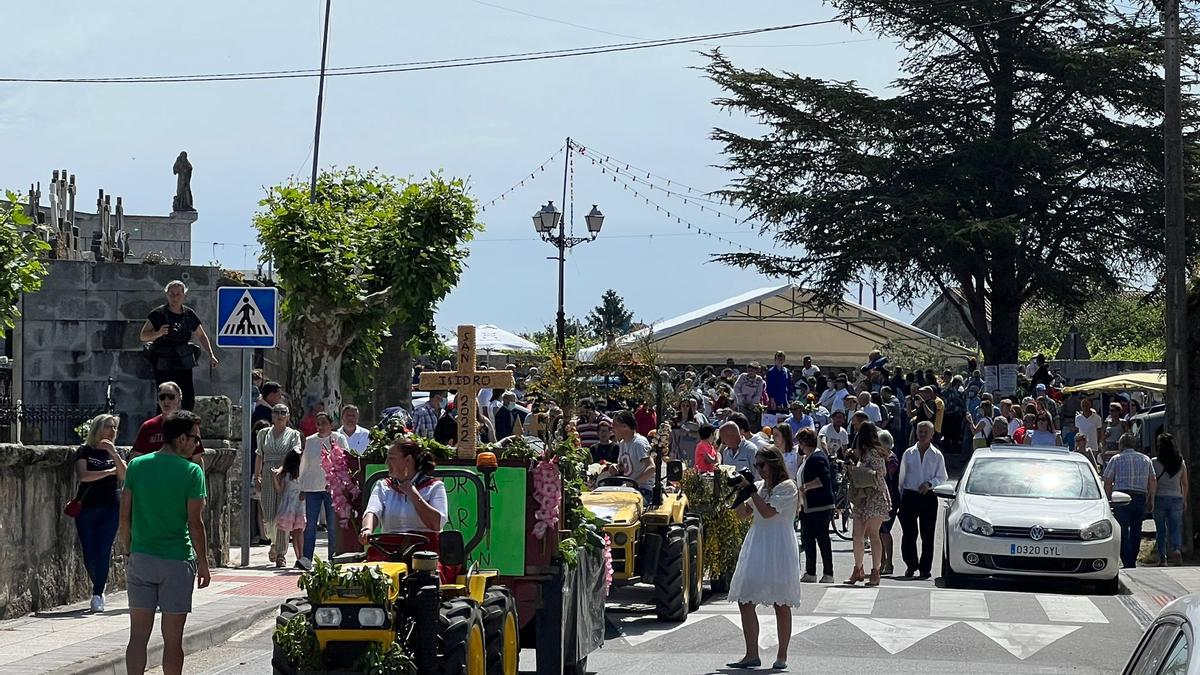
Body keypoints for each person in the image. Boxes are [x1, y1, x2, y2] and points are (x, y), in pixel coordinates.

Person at [120, 410, 209, 675]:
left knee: (138, 636)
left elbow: (124, 516)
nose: (197, 444)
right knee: (172, 639)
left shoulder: (137, 466)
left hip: (141, 556)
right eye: (194, 438)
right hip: (176, 560)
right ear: (181, 438)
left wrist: (128, 548)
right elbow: (195, 523)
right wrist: (203, 562)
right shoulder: (192, 472)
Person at [725, 447, 800, 670]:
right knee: (745, 599)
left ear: (774, 464)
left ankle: (782, 655)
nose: (758, 470)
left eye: (761, 465)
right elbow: (742, 515)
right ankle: (751, 654)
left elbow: (768, 512)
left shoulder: (788, 488)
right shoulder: (758, 487)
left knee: (781, 602)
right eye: (756, 466)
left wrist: (751, 491)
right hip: (758, 543)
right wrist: (738, 494)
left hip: (779, 546)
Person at [73, 413, 127, 612]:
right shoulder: (84, 451)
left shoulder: (117, 452)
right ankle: (99, 581)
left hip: (110, 507)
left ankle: (97, 594)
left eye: (115, 427)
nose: (113, 431)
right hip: (87, 507)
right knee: (89, 553)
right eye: (109, 427)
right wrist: (108, 472)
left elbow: (124, 475)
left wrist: (114, 455)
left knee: (104, 550)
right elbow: (84, 476)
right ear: (98, 429)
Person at [138, 281, 218, 411]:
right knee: (165, 395)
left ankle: (185, 424)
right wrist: (158, 333)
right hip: (164, 361)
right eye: (172, 294)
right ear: (167, 295)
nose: (175, 297)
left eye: (178, 294)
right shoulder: (158, 314)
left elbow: (201, 335)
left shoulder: (189, 314)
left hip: (183, 360)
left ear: (184, 296)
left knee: (187, 396)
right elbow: (143, 336)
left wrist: (211, 355)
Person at [360, 439, 449, 548]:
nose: (387, 463)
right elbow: (372, 511)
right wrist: (367, 529)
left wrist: (412, 493)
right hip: (390, 549)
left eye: (392, 458)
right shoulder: (383, 486)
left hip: (426, 551)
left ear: (408, 460)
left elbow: (436, 524)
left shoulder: (434, 486)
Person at [898, 421, 947, 579]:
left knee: (928, 534)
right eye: (920, 431)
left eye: (926, 432)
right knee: (909, 534)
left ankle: (925, 568)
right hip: (910, 495)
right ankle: (911, 565)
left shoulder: (937, 454)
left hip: (928, 497)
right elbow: (902, 476)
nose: (923, 434)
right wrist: (900, 497)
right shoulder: (908, 453)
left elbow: (942, 476)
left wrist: (930, 484)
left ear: (932, 434)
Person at [844, 422, 891, 587]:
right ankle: (858, 569)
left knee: (873, 534)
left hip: (875, 496)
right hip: (862, 496)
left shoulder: (874, 454)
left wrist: (857, 471)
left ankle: (875, 571)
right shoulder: (863, 454)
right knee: (857, 534)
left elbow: (879, 475)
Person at [299, 412, 348, 568]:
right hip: (312, 487)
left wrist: (343, 485)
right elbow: (304, 465)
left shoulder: (339, 439)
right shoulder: (310, 441)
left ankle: (333, 558)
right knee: (310, 524)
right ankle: (306, 558)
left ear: (331, 424)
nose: (321, 427)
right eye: (318, 423)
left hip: (332, 488)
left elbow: (345, 461)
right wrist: (301, 487)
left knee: (332, 526)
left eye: (324, 423)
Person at [257, 403, 303, 565]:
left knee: (283, 513)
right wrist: (256, 477)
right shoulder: (263, 434)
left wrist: (282, 470)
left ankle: (281, 553)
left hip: (286, 474)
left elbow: (295, 454)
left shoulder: (293, 435)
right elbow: (259, 456)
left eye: (283, 412)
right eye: (276, 412)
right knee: (268, 515)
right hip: (268, 473)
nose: (279, 415)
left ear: (288, 416)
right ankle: (274, 542)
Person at [1104, 432, 1155, 568]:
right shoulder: (1146, 459)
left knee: (1122, 530)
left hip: (1121, 498)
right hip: (1140, 496)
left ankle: (1127, 561)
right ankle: (1133, 556)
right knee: (1136, 529)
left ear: (1121, 445)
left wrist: (1108, 499)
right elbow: (1152, 480)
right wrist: (1151, 498)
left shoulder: (1116, 459)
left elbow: (1108, 480)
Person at [795, 428, 834, 583]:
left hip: (820, 506)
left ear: (805, 443)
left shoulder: (818, 457)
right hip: (807, 506)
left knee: (822, 539)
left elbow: (823, 479)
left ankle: (828, 573)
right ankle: (810, 572)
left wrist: (805, 486)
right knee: (807, 538)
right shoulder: (808, 458)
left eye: (801, 442)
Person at [130, 382, 204, 463]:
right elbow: (136, 457)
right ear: (158, 400)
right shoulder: (148, 426)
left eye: (171, 397)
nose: (166, 401)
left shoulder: (190, 424)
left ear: (179, 399)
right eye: (162, 397)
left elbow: (197, 458)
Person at [1152, 435, 1188, 566]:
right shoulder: (1180, 462)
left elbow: (1152, 483)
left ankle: (1162, 558)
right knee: (1175, 527)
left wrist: (1150, 499)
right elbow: (1185, 483)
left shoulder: (1154, 462)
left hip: (1159, 498)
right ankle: (1177, 550)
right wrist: (1184, 499)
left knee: (1161, 530)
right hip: (1176, 498)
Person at [606, 410, 656, 501]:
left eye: (615, 426)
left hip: (643, 490)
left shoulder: (639, 443)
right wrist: (616, 467)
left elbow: (651, 468)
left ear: (625, 426)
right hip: (627, 490)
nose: (612, 429)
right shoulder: (622, 443)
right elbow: (624, 466)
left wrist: (634, 483)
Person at [271, 449, 305, 568]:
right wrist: (275, 478)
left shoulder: (301, 473)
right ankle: (299, 557)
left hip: (297, 505)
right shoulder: (289, 474)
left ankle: (301, 557)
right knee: (296, 533)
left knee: (298, 532)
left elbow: (280, 490)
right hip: (294, 505)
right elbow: (280, 490)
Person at [877, 430, 902, 577]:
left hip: (890, 500)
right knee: (879, 532)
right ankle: (882, 561)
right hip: (881, 499)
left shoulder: (892, 459)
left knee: (885, 531)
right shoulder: (882, 458)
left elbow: (887, 475)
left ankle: (889, 563)